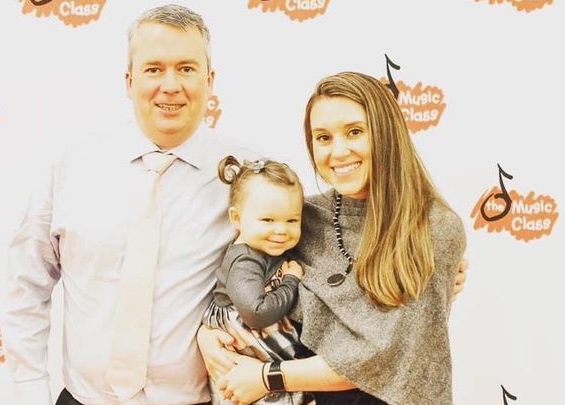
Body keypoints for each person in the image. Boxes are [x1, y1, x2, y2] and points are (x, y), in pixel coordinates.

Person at [2, 5, 257, 405]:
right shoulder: (71, 166)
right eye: (154, 69)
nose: (170, 86)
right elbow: (27, 285)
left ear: (210, 81)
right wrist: (31, 391)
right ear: (129, 80)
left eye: (186, 69)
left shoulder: (249, 178)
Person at [198, 71, 467, 405]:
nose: (338, 152)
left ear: (386, 133)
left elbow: (386, 356)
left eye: (354, 132)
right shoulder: (300, 220)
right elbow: (244, 289)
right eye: (323, 137)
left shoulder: (433, 227)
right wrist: (207, 335)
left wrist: (268, 377)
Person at [203, 156, 308, 405]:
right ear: (236, 218)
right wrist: (291, 281)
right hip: (249, 341)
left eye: (292, 220)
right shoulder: (245, 261)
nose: (281, 230)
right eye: (268, 220)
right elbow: (257, 314)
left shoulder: (265, 247)